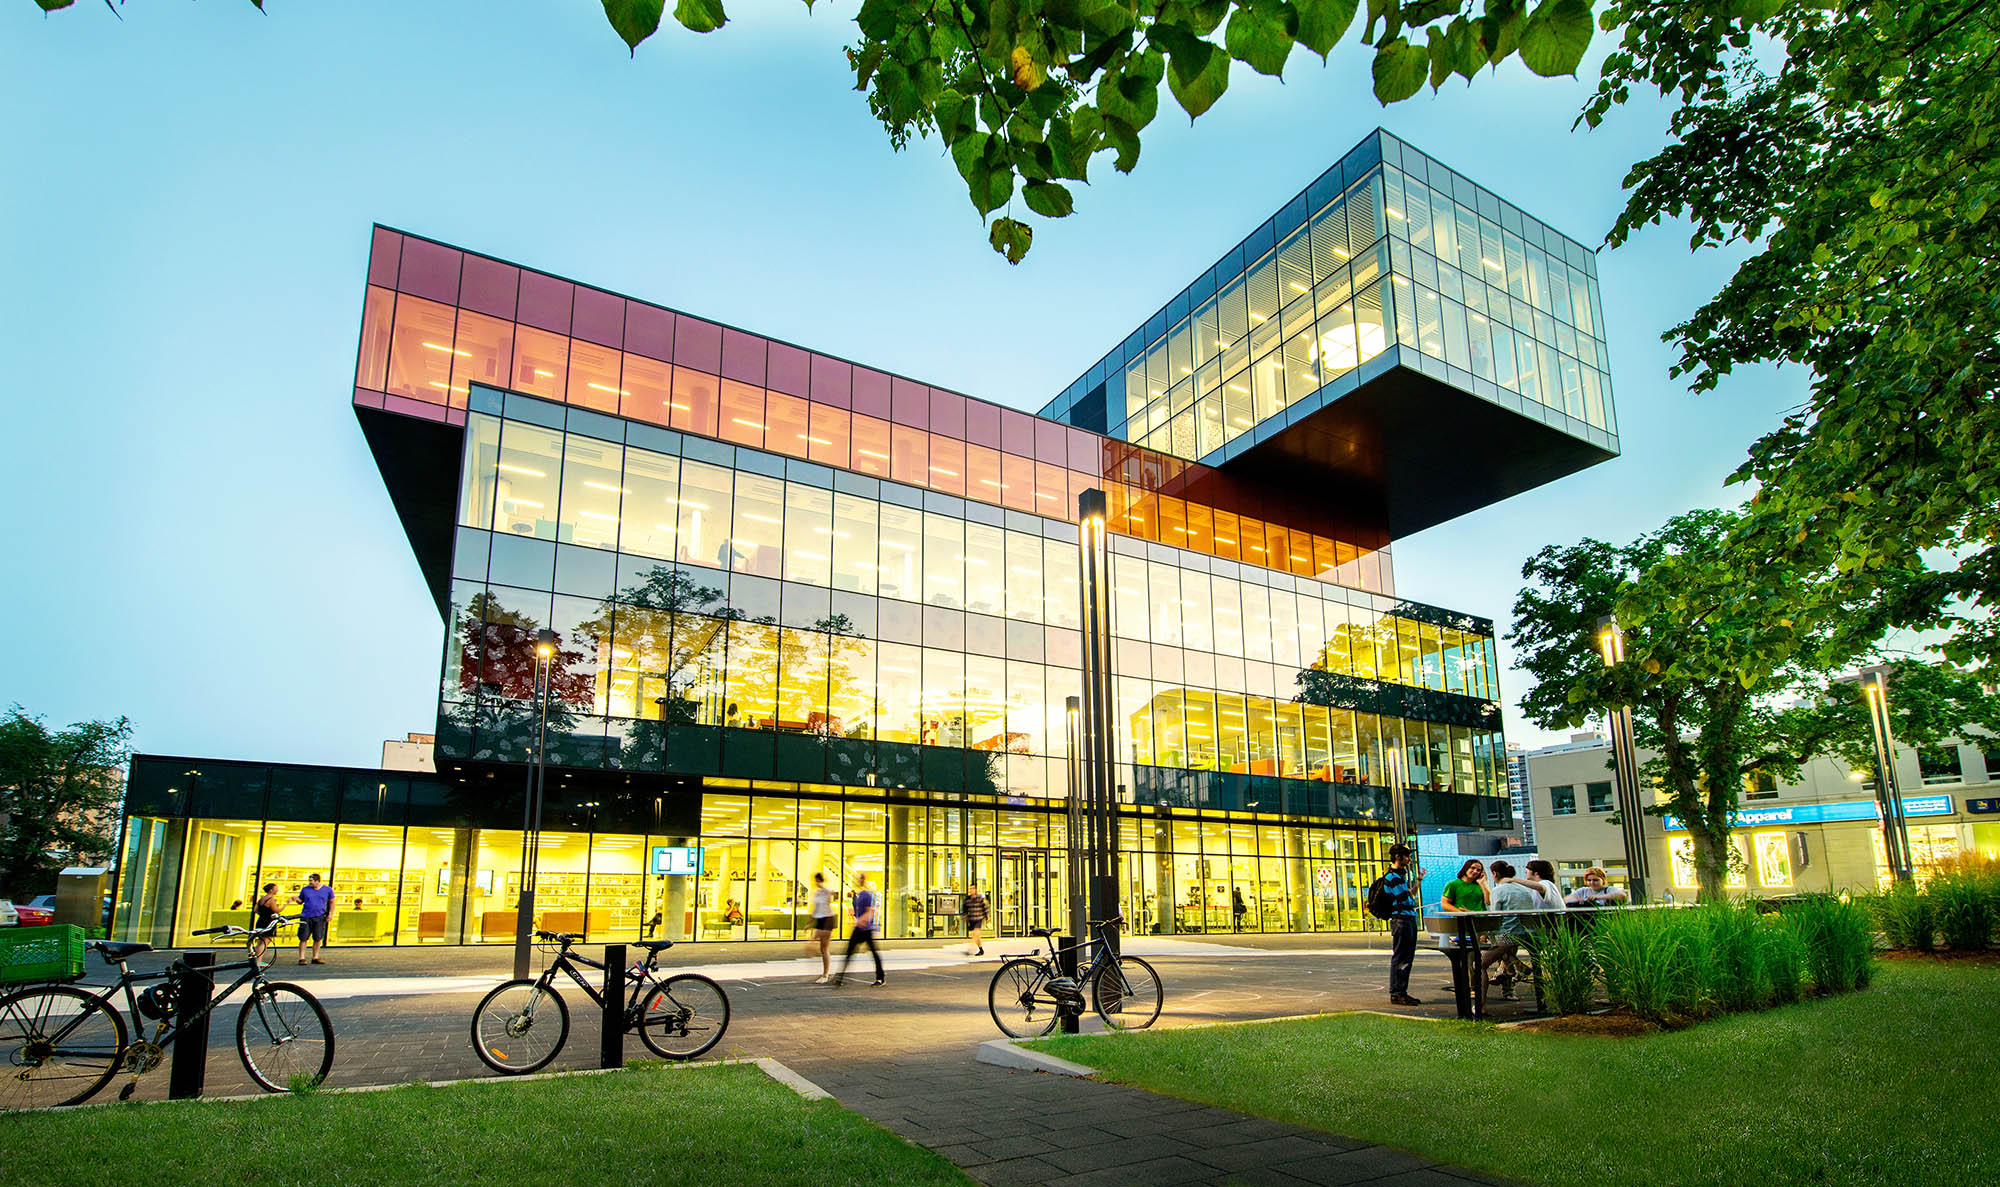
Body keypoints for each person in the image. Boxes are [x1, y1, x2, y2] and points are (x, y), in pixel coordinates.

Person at [1483, 860, 1538, 999]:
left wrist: (1487, 933)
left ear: (1494, 873)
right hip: (1526, 932)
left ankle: (1510, 967)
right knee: (1506, 948)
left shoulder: (1498, 890)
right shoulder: (1524, 889)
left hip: (1508, 933)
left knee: (1493, 943)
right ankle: (1512, 968)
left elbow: (1496, 916)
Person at [1381, 844, 1421, 1006]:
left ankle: (1401, 991)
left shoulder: (1399, 876)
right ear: (1398, 857)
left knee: (1407, 956)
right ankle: (1397, 992)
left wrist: (1417, 881)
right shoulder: (1392, 877)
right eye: (1407, 856)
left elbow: (1409, 895)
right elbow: (1404, 897)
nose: (1409, 859)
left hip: (1407, 918)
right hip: (1401, 919)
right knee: (1402, 956)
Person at [831, 873, 883, 987]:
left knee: (873, 953)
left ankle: (880, 978)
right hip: (859, 929)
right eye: (859, 879)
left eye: (862, 879)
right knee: (849, 952)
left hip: (865, 929)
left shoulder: (867, 895)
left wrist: (861, 921)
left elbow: (871, 911)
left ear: (865, 880)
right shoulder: (859, 894)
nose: (860, 880)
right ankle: (840, 977)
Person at [293, 873, 333, 965]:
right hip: (306, 916)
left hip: (320, 916)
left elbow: (332, 902)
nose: (309, 883)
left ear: (317, 881)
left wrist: (330, 914)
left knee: (318, 937)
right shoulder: (305, 889)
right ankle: (302, 957)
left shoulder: (327, 890)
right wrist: (296, 899)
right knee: (303, 937)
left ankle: (315, 956)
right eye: (309, 880)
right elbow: (301, 901)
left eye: (311, 881)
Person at [808, 872, 837, 984]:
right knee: (820, 949)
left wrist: (827, 890)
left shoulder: (826, 891)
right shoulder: (817, 893)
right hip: (820, 919)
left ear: (819, 880)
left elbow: (831, 897)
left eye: (816, 880)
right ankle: (824, 973)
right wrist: (809, 922)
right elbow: (815, 909)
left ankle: (825, 975)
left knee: (822, 948)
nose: (815, 883)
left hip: (827, 919)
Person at [1566, 866, 1631, 906]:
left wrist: (1598, 897)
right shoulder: (1583, 890)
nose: (1592, 883)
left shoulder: (1609, 889)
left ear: (1603, 880)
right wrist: (1577, 900)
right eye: (1589, 880)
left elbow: (1622, 895)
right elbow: (1566, 900)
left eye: (1595, 880)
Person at [251, 882, 280, 961]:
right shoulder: (271, 899)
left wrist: (263, 913)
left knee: (260, 941)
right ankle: (258, 961)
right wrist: (286, 904)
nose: (277, 890)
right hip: (268, 922)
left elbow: (255, 910)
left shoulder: (262, 898)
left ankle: (255, 959)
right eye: (276, 889)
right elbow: (277, 910)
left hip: (261, 920)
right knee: (265, 941)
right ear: (271, 890)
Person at [963, 881, 989, 956]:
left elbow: (985, 907)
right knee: (976, 936)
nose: (971, 890)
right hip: (971, 919)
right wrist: (966, 917)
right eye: (970, 888)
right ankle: (981, 949)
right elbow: (965, 909)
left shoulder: (980, 898)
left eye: (973, 888)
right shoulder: (967, 899)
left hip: (978, 918)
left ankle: (970, 949)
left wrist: (987, 917)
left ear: (976, 889)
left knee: (975, 933)